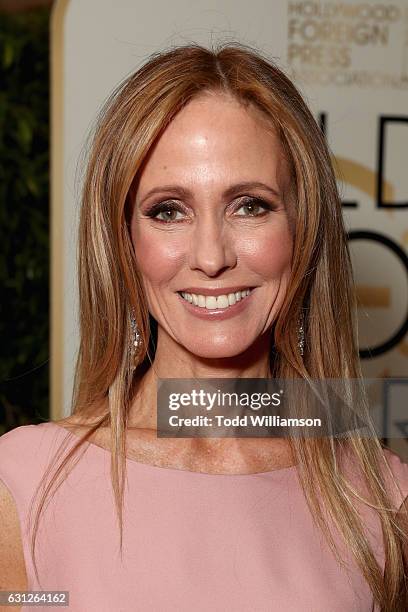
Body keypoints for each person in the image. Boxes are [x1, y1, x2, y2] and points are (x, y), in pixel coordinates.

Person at [0, 42, 407, 612]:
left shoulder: (386, 502)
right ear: (124, 244)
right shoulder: (25, 492)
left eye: (250, 206)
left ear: (304, 227)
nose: (212, 256)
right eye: (169, 210)